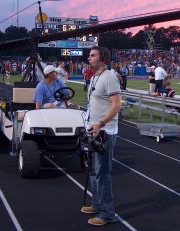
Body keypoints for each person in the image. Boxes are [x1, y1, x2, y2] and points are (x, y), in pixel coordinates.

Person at [81, 46, 121, 226]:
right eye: (89, 55)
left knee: (103, 173)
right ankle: (96, 204)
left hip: (105, 131)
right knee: (94, 170)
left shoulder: (109, 77)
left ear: (102, 58)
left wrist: (101, 123)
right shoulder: (95, 76)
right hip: (94, 129)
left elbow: (116, 105)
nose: (89, 58)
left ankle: (107, 214)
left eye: (93, 55)